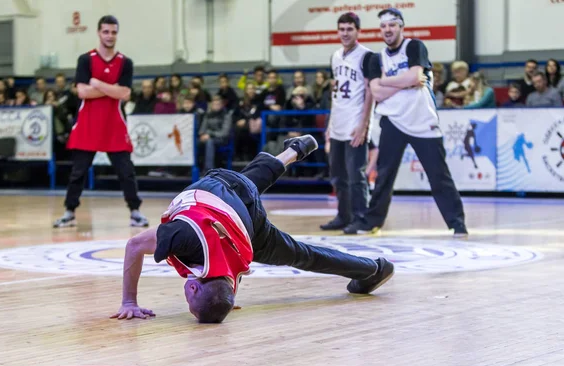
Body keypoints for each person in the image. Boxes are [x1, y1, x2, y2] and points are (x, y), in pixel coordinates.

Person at [110, 135, 394, 323]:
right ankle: (290, 153)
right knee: (246, 185)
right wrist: (129, 301)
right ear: (195, 286)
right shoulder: (187, 244)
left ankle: (373, 269)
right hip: (234, 209)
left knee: (305, 254)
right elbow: (136, 246)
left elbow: (134, 246)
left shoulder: (197, 247)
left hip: (243, 223)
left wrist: (128, 301)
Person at [346, 8, 467, 237]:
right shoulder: (375, 58)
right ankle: (372, 222)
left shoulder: (414, 46)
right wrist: (406, 82)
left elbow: (410, 78)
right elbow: (377, 93)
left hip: (423, 120)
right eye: (383, 26)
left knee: (438, 175)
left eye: (392, 25)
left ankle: (457, 222)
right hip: (393, 121)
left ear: (401, 26)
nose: (387, 30)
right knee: (384, 176)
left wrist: (387, 81)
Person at [53, 15, 148, 228]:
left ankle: (135, 211)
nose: (110, 36)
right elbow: (82, 92)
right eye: (106, 31)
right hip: (88, 124)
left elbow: (124, 93)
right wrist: (109, 88)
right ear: (99, 33)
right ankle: (69, 212)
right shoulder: (85, 60)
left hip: (114, 124)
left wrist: (97, 83)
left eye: (113, 32)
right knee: (78, 173)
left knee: (126, 172)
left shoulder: (125, 62)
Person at [320, 12, 374, 234]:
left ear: (358, 31)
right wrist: (330, 126)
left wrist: (364, 124)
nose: (345, 33)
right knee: (338, 176)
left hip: (355, 125)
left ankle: (361, 219)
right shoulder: (335, 56)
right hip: (338, 124)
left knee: (356, 176)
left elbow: (370, 91)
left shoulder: (367, 56)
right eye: (341, 29)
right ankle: (343, 216)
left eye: (349, 29)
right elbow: (335, 94)